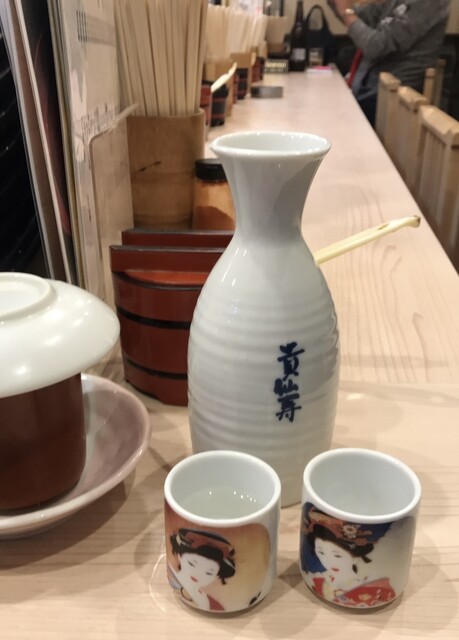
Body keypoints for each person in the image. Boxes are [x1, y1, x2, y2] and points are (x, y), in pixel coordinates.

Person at [327, 0, 451, 125]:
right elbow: (363, 19)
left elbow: (376, 47)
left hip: (395, 102)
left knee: (328, 121)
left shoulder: (427, 3)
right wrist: (337, 5)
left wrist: (346, 12)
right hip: (370, 92)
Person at [301, 504, 396, 607]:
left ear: (355, 557)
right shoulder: (319, 580)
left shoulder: (376, 587)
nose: (329, 561)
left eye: (337, 556)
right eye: (321, 553)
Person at [168, 528, 236, 611]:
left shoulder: (214, 605)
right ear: (180, 556)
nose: (198, 574)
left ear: (217, 576)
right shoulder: (173, 578)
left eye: (209, 573)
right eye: (191, 564)